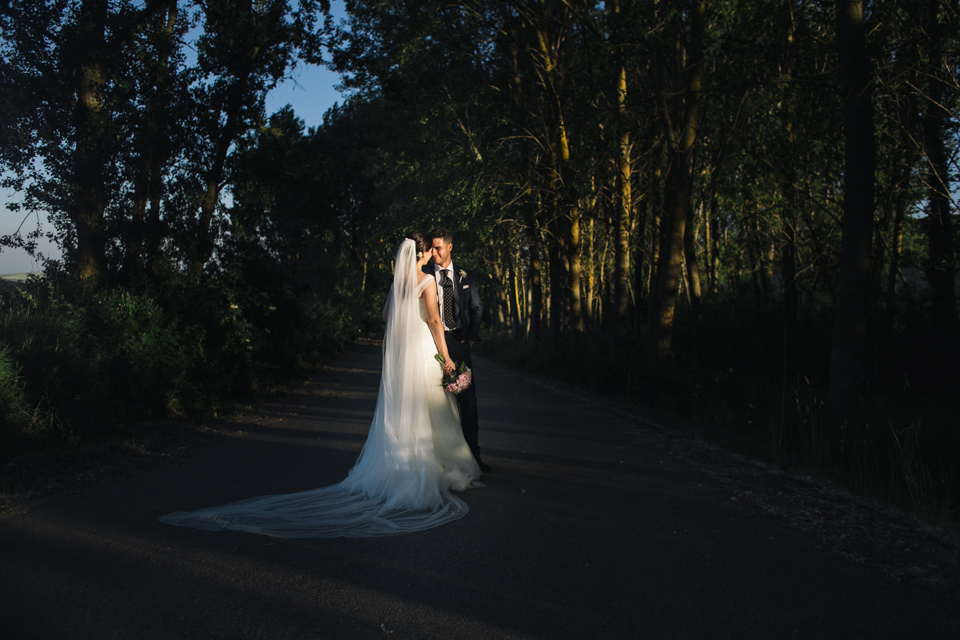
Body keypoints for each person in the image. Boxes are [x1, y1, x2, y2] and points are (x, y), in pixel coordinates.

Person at [159, 233, 481, 538]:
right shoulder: (425, 280)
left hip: (403, 354)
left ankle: (403, 466)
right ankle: (430, 467)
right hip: (422, 349)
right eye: (429, 251)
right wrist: (445, 355)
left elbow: (386, 317)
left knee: (408, 408)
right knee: (427, 405)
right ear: (423, 253)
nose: (430, 256)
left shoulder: (397, 282)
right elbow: (436, 321)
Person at [426, 228, 490, 472]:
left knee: (468, 403)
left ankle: (473, 457)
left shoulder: (466, 276)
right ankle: (437, 461)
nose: (434, 252)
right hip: (432, 344)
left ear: (450, 247)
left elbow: (477, 309)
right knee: (434, 402)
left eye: (438, 248)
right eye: (431, 248)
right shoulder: (424, 274)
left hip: (460, 342)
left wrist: (470, 339)